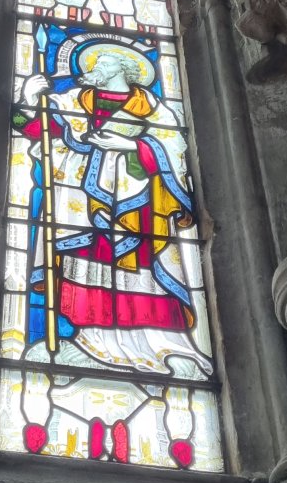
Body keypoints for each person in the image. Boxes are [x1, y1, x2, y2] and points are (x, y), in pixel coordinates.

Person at [16, 38, 212, 377]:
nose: (95, 68)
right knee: (89, 263)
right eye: (95, 63)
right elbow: (38, 131)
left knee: (141, 269)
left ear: (125, 69)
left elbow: (175, 147)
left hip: (138, 205)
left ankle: (159, 344)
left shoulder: (152, 107)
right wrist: (29, 100)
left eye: (103, 63)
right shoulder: (72, 101)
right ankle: (92, 341)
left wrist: (131, 146)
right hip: (83, 205)